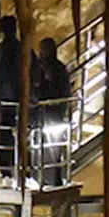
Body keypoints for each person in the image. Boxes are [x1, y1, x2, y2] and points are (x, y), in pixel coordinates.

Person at [33, 37, 73, 186]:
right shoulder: (42, 67)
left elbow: (63, 92)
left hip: (51, 115)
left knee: (52, 149)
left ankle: (51, 178)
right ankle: (40, 177)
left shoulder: (57, 69)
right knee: (41, 148)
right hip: (43, 114)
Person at [0, 15, 23, 181]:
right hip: (15, 99)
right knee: (13, 136)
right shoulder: (21, 48)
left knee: (3, 136)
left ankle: (7, 170)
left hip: (5, 99)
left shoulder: (2, 50)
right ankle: (16, 169)